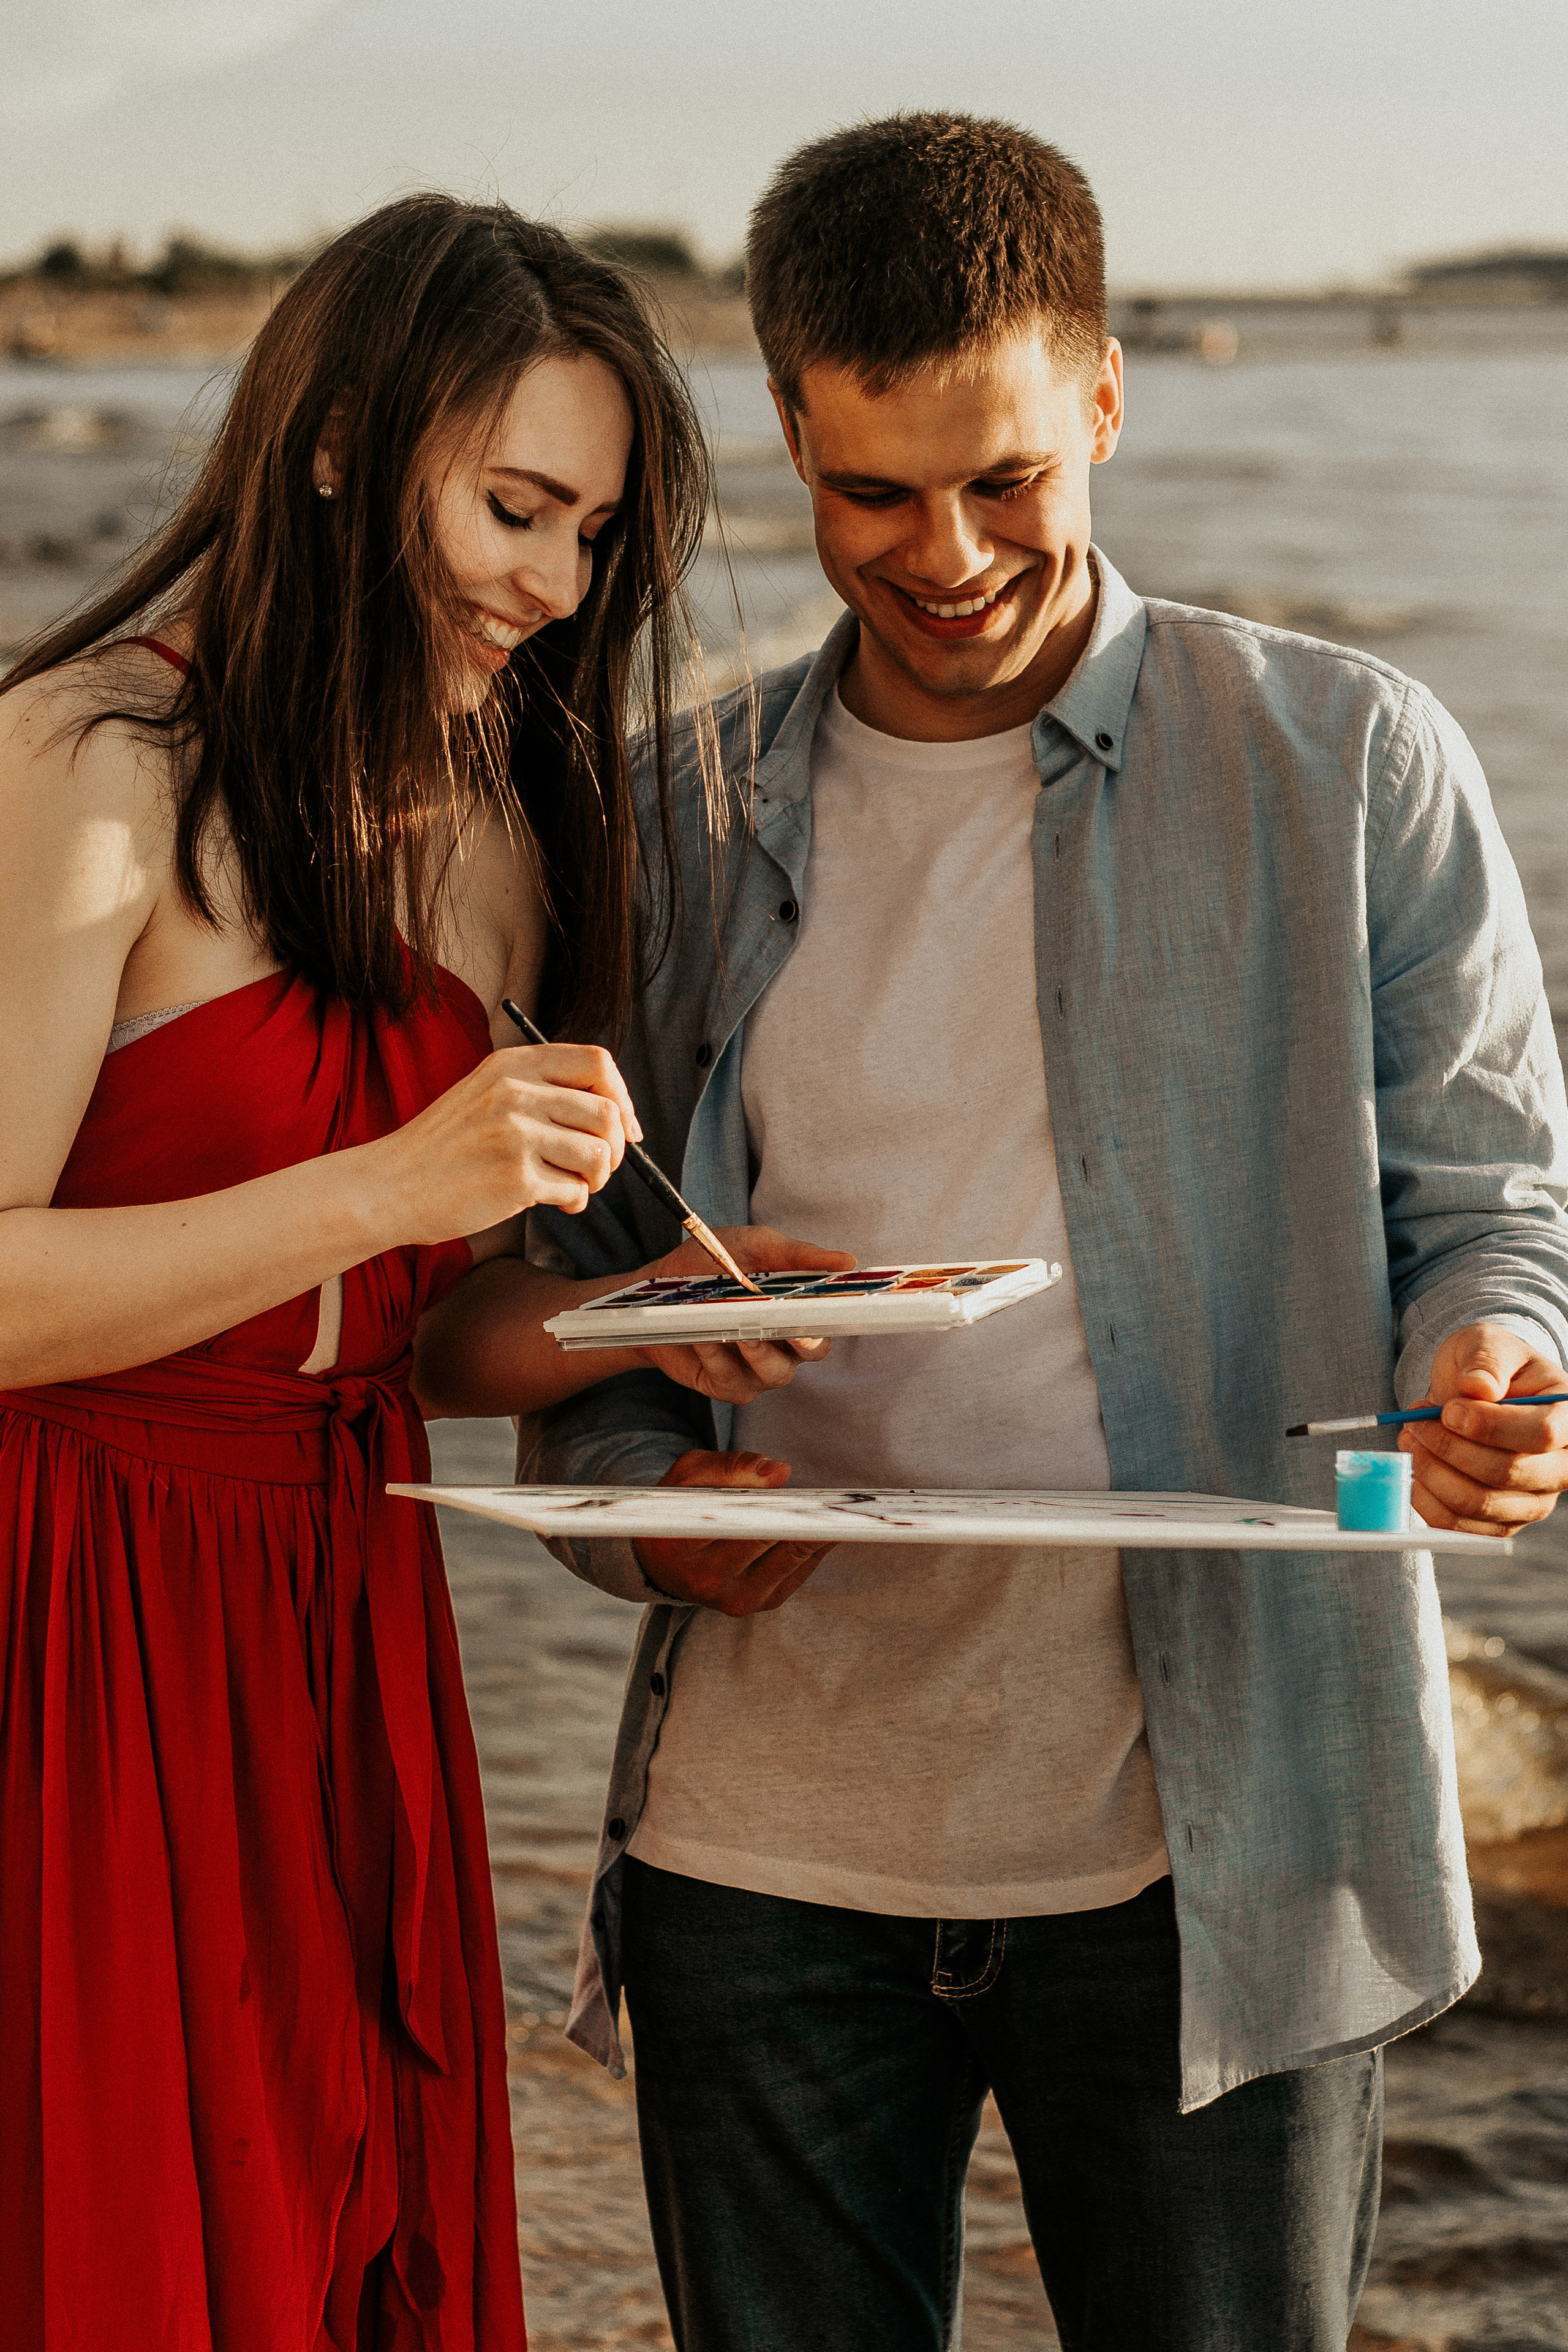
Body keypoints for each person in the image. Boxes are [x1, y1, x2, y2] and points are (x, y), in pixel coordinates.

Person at [486, 118, 1568, 2351]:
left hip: (1222, 1850)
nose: (947, 552)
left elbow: (1489, 1213)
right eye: (872, 494)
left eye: (1003, 479)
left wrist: (1494, 1375)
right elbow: (567, 1313)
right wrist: (634, 1521)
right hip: (760, 1857)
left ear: (1101, 394)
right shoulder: (669, 820)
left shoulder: (1348, 759)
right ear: (790, 428)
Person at [0, 194, 831, 2352]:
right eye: (515, 507)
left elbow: (415, 1332)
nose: (553, 586)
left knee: (344, 2222)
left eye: (590, 535)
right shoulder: (94, 759)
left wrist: (674, 1323)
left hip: (338, 1592)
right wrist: (384, 1182)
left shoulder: (500, 836)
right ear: (347, 442)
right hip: (63, 1590)